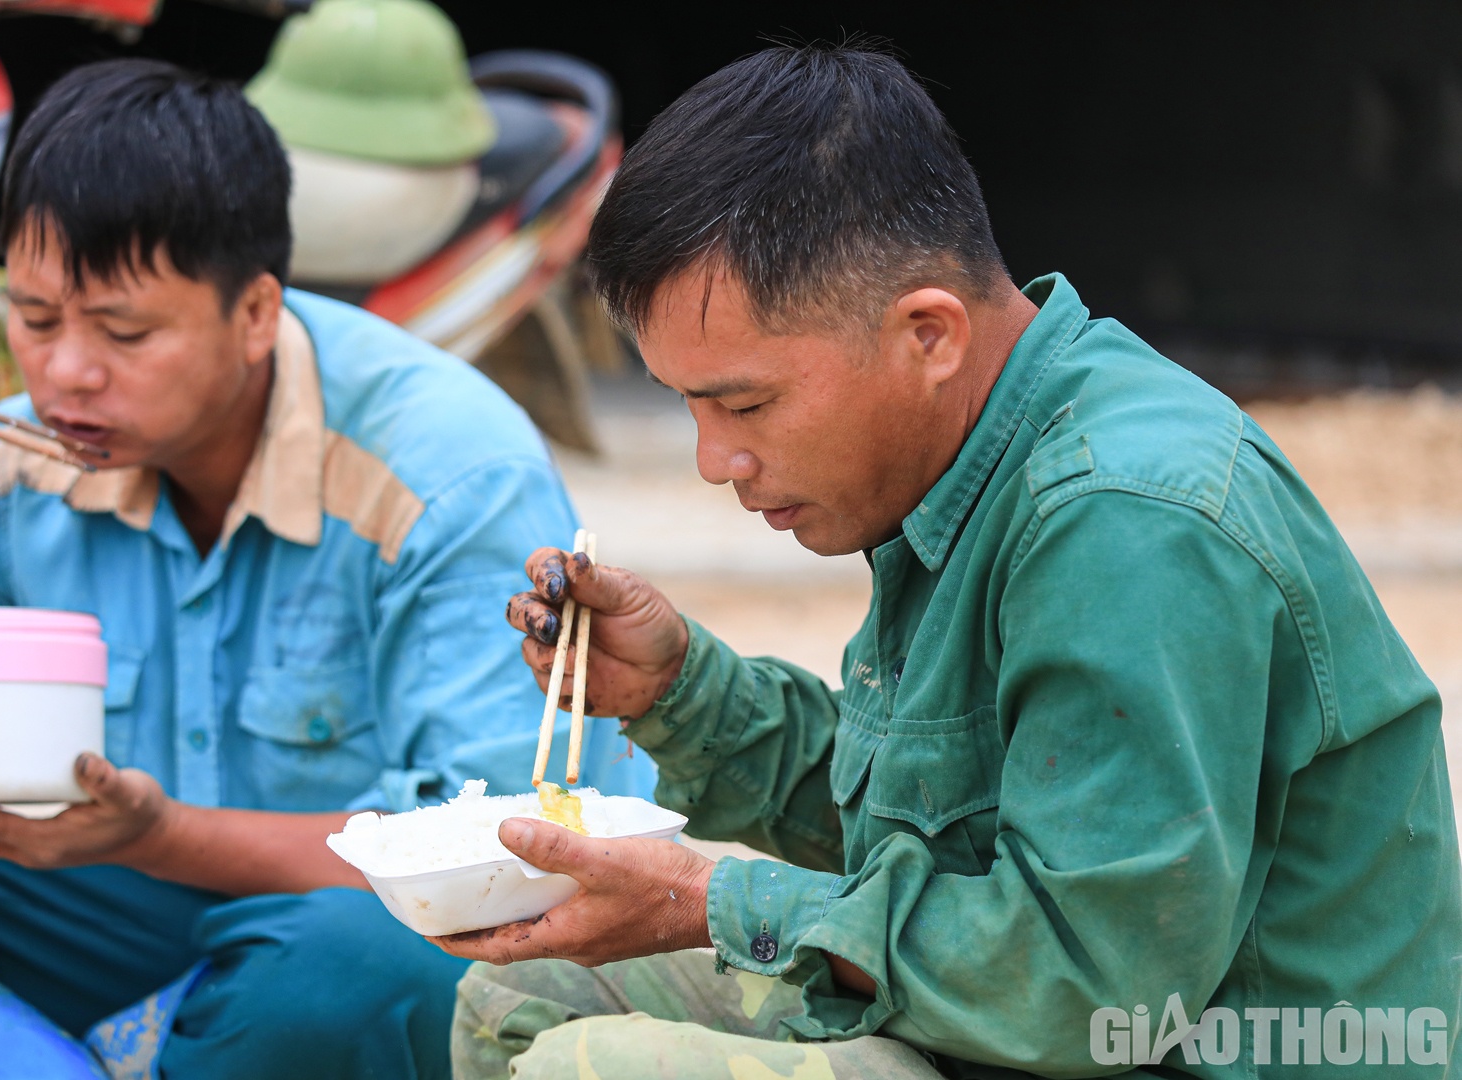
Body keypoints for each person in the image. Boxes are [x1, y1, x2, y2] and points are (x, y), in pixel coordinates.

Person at [436, 44, 1462, 1079]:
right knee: (527, 995)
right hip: (1045, 1022)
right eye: (688, 405)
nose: (716, 461)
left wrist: (697, 900)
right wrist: (679, 692)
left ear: (928, 333)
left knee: (607, 1068)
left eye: (745, 403)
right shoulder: (978, 452)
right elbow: (931, 828)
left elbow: (1088, 982)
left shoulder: (1127, 521)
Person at [0, 60, 645, 1080]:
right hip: (120, 931)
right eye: (34, 320)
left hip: (363, 938)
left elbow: (494, 856)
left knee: (350, 970)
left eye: (123, 330)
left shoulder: (447, 476)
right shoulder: (10, 466)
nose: (63, 372)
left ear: (257, 313)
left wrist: (160, 836)